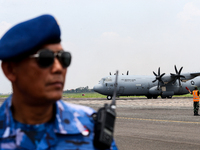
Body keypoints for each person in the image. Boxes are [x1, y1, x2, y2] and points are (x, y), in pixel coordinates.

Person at [0, 14, 118, 150]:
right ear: (10, 70)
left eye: (64, 58)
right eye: (45, 58)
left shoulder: (90, 127)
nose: (58, 68)